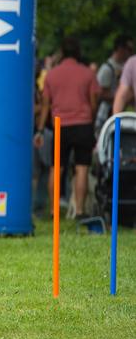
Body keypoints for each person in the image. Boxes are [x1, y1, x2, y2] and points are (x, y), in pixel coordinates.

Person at [34, 37, 100, 218]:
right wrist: (89, 118)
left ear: (62, 52)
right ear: (78, 52)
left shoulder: (52, 75)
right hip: (83, 124)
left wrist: (39, 130)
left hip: (60, 125)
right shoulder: (88, 73)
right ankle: (79, 210)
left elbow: (46, 105)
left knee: (56, 168)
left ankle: (54, 210)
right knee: (82, 169)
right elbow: (94, 101)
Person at [95, 35, 133, 132]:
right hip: (106, 116)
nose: (131, 52)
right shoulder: (107, 68)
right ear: (120, 48)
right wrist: (124, 96)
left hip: (120, 115)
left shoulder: (127, 66)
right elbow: (100, 93)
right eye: (129, 49)